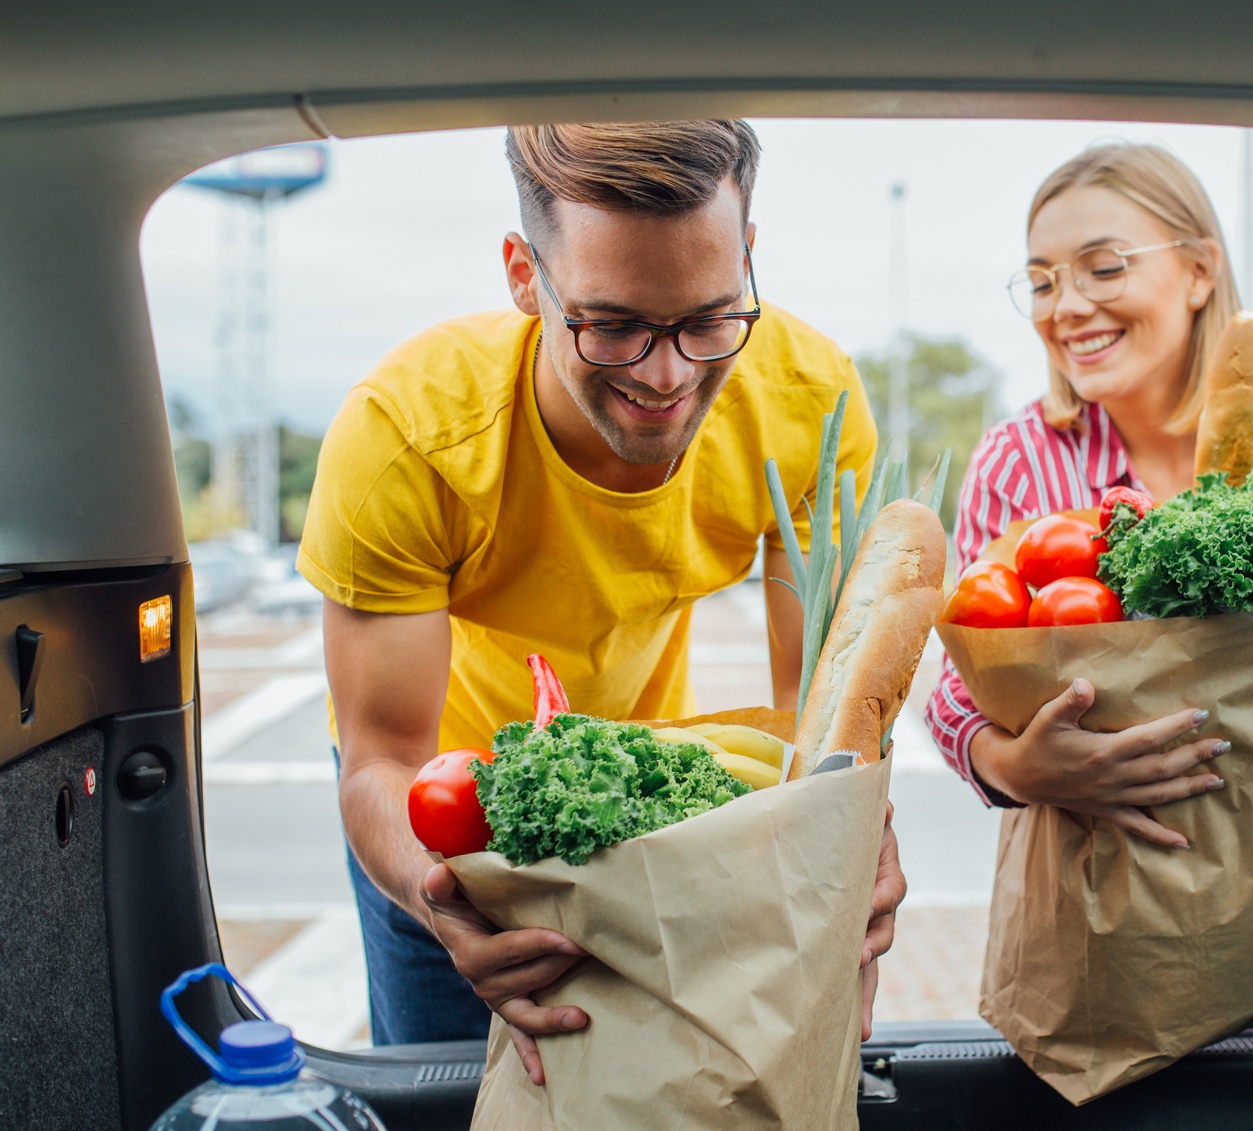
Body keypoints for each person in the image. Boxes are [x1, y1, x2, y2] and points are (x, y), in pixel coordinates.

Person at [298, 120, 903, 1083]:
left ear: (748, 257)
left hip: (642, 788)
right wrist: (438, 892)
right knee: (448, 1088)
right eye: (612, 324)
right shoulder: (406, 437)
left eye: (710, 317)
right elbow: (382, 757)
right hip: (445, 813)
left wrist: (853, 839)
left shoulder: (808, 404)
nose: (666, 376)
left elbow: (824, 714)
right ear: (523, 276)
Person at [924, 141, 1253, 904]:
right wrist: (1014, 768)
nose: (1065, 307)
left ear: (1200, 271)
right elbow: (958, 692)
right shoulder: (1018, 459)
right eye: (1041, 282)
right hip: (1093, 900)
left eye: (1103, 268)